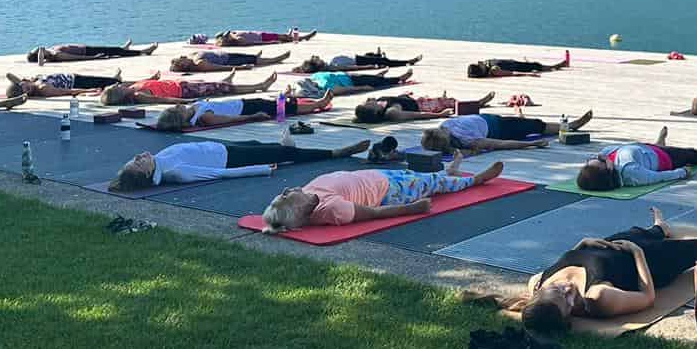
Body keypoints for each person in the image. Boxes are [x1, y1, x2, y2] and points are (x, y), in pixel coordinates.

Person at [514, 208, 697, 334]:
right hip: (648, 261)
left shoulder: (538, 281)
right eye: (567, 299)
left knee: (640, 232)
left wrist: (582, 244)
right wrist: (637, 253)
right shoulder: (598, 299)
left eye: (556, 289)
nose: (566, 288)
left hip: (612, 246)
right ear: (569, 314)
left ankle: (660, 227)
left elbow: (569, 259)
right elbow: (648, 297)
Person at [260, 156, 504, 231]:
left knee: (421, 177)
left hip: (377, 178)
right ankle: (475, 180)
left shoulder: (308, 194)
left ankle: (449, 171)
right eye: (285, 196)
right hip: (390, 192)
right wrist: (412, 209)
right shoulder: (332, 210)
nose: (286, 189)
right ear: (299, 210)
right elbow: (374, 213)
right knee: (431, 183)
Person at [108, 131, 371, 191]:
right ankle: (336, 153)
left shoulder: (159, 162)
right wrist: (257, 170)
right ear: (147, 174)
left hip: (222, 147)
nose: (140, 156)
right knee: (284, 156)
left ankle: (283, 146)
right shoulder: (175, 172)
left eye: (135, 158)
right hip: (229, 160)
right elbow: (218, 175)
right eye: (139, 162)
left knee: (264, 146)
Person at [574, 126, 697, 191]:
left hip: (644, 149)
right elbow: (659, 177)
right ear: (609, 169)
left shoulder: (607, 157)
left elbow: (608, 153)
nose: (599, 156)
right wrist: (682, 172)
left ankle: (658, 142)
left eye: (591, 159)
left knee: (650, 147)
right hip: (665, 158)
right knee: (692, 154)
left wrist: (600, 157)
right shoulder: (632, 173)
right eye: (600, 160)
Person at [420, 110, 592, 155]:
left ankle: (570, 125)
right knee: (537, 126)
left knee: (531, 123)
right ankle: (571, 126)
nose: (441, 129)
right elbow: (500, 144)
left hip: (492, 119)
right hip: (501, 129)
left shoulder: (444, 126)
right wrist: (532, 144)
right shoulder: (467, 140)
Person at [151, 93, 333, 131]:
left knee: (276, 102)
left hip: (242, 102)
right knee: (283, 108)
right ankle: (318, 104)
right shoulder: (203, 117)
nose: (177, 105)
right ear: (181, 117)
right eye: (176, 108)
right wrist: (253, 117)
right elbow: (228, 119)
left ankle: (296, 99)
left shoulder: (193, 109)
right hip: (247, 108)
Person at [100, 73, 279, 105]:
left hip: (180, 85)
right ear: (119, 94)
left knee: (218, 86)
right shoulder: (139, 95)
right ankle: (259, 86)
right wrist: (185, 101)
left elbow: (146, 82)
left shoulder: (131, 88)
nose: (117, 84)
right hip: (185, 92)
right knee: (224, 89)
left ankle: (224, 82)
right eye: (115, 87)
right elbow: (163, 100)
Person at [353, 92, 494, 123]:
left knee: (446, 99)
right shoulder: (391, 112)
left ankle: (479, 102)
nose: (367, 102)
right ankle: (478, 103)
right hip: (422, 106)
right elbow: (416, 115)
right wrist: (441, 115)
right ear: (375, 111)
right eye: (367, 105)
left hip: (413, 99)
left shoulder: (379, 104)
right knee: (448, 102)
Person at [293, 68, 414, 98]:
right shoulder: (325, 87)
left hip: (346, 75)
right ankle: (399, 79)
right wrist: (362, 88)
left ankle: (377, 76)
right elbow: (345, 90)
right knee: (376, 82)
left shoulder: (315, 76)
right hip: (351, 82)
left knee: (371, 78)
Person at [3, 71, 122, 99]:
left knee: (106, 80)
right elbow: (67, 91)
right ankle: (116, 80)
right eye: (25, 91)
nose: (25, 88)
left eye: (23, 85)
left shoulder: (32, 83)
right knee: (113, 83)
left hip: (73, 77)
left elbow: (9, 75)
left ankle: (114, 78)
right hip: (77, 82)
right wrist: (89, 91)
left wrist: (21, 83)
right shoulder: (43, 88)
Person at [291, 50, 421, 74]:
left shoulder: (330, 64)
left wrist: (298, 69)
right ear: (318, 64)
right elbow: (352, 69)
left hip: (358, 57)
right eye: (317, 59)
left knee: (376, 56)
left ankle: (376, 54)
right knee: (385, 61)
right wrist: (371, 66)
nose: (318, 57)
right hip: (360, 61)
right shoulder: (333, 67)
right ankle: (408, 62)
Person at [26, 41, 158, 63]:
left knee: (114, 50)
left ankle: (125, 49)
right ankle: (143, 52)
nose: (40, 47)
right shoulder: (56, 55)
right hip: (88, 52)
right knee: (115, 51)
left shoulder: (52, 51)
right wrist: (94, 58)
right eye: (38, 50)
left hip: (87, 48)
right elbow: (75, 58)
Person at [169, 49, 289, 73]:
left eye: (181, 59)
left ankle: (259, 57)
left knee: (252, 57)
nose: (182, 59)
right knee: (254, 60)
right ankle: (276, 60)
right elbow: (220, 68)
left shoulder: (191, 55)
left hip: (225, 54)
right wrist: (242, 68)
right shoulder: (199, 64)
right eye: (181, 64)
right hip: (228, 61)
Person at [466, 53, 569, 79]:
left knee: (535, 64)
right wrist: (528, 74)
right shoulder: (494, 70)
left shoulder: (486, 64)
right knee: (537, 66)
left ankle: (559, 65)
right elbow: (512, 73)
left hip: (514, 63)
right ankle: (559, 65)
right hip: (518, 67)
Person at [204, 29, 317, 47]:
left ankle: (293, 36)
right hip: (261, 37)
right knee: (282, 37)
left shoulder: (232, 35)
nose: (228, 34)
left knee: (283, 36)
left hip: (259, 34)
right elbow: (253, 43)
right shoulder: (238, 40)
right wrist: (271, 43)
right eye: (225, 36)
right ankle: (302, 38)